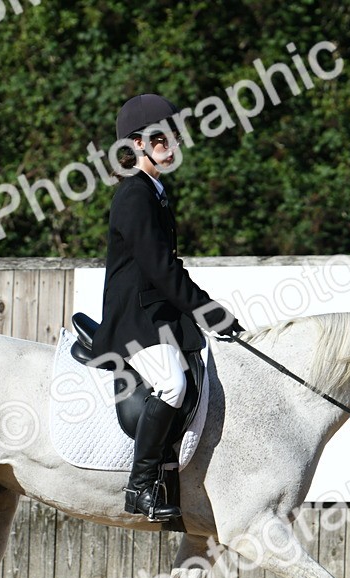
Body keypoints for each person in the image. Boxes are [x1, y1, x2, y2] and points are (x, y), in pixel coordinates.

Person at [90, 93, 244, 522]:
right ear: (136, 144)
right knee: (173, 384)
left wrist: (208, 310)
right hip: (134, 320)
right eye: (158, 137)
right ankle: (140, 486)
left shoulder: (155, 191)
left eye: (172, 134)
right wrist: (206, 311)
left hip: (157, 316)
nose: (168, 142)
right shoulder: (134, 195)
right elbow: (159, 268)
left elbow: (169, 265)